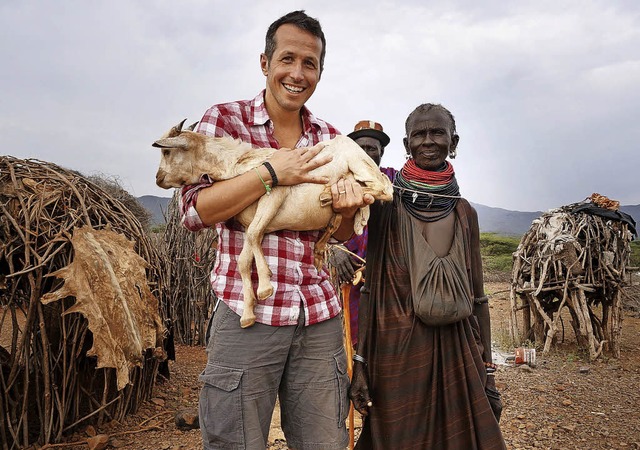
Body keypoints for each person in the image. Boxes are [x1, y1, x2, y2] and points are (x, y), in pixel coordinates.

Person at [179, 11, 373, 449]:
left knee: (324, 442)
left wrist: (344, 210)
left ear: (320, 72)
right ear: (265, 63)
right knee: (235, 440)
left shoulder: (328, 138)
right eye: (287, 59)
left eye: (310, 64)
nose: (297, 73)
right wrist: (270, 172)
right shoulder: (225, 122)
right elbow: (194, 212)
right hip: (248, 314)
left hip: (318, 316)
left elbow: (338, 237)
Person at [349, 104, 506, 449]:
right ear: (407, 144)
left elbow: (479, 298)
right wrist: (360, 364)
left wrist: (488, 372)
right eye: (420, 134)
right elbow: (370, 290)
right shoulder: (384, 208)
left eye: (438, 133)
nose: (429, 141)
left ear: (454, 142)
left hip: (457, 351)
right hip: (394, 353)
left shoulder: (465, 214)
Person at [328, 120, 397, 347]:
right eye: (360, 148)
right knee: (348, 339)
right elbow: (317, 227)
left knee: (388, 339)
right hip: (348, 278)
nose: (366, 153)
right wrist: (334, 251)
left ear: (381, 152)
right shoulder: (336, 183)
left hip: (388, 278)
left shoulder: (393, 181)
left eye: (372, 148)